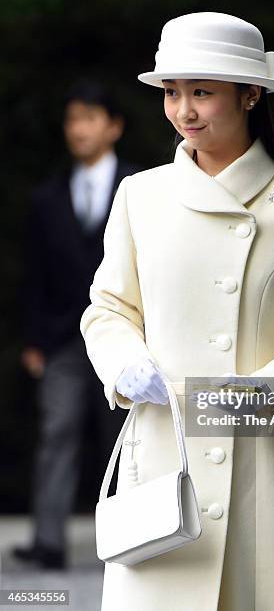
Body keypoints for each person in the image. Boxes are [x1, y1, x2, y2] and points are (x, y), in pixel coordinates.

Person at [80, 13, 274, 610]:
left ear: (249, 94)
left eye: (202, 92)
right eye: (172, 92)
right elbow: (107, 308)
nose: (184, 111)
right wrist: (125, 365)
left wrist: (264, 390)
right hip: (166, 453)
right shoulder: (141, 195)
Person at [13, 80, 140, 569]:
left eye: (89, 117)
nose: (79, 128)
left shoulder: (140, 188)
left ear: (114, 126)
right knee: (56, 432)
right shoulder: (46, 198)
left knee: (126, 437)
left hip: (126, 335)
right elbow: (34, 273)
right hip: (64, 339)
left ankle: (132, 537)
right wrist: (32, 340)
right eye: (72, 119)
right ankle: (48, 541)